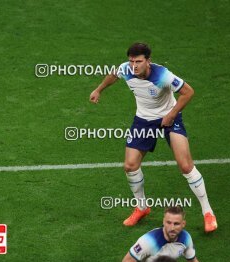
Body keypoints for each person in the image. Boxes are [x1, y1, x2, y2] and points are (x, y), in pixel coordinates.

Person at [90, 42, 217, 232]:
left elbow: (188, 92)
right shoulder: (126, 69)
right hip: (143, 121)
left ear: (148, 61)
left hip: (169, 117)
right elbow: (114, 75)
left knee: (185, 165)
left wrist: (172, 114)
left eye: (139, 61)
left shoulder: (162, 75)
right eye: (131, 61)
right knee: (130, 165)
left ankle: (208, 213)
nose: (134, 66)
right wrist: (98, 89)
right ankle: (141, 207)